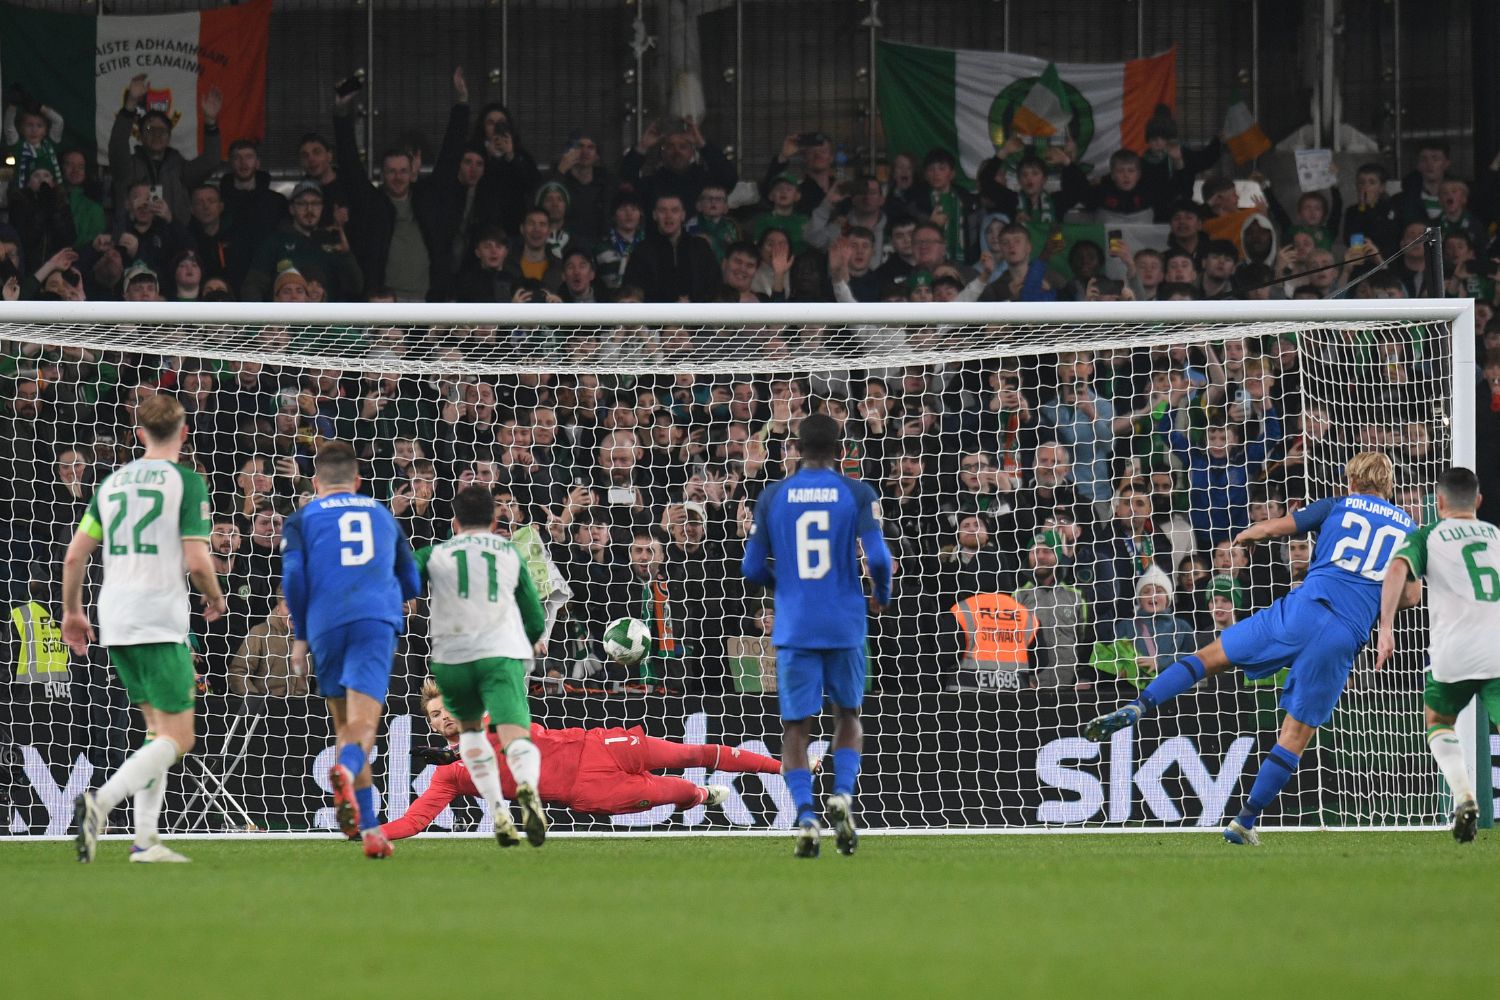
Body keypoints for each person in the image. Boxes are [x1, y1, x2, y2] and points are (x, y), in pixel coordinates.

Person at [1082, 452, 1418, 846]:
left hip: (1300, 610)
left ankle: (1141, 704)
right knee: (1294, 733)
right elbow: (1410, 596)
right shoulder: (1409, 529)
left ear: (1352, 481)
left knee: (1208, 658)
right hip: (1343, 632)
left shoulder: (1337, 505)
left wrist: (1247, 535)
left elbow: (1276, 528)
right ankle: (1244, 821)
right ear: (1388, 485)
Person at [63, 394, 227, 864]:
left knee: (157, 732)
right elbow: (197, 559)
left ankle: (146, 840)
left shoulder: (111, 483)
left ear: (138, 434)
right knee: (181, 738)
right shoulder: (186, 481)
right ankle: (100, 804)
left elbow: (75, 555)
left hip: (115, 616)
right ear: (185, 432)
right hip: (159, 615)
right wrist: (216, 598)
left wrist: (73, 612)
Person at [741, 413, 894, 858]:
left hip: (795, 625)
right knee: (848, 716)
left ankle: (806, 815)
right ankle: (842, 795)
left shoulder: (773, 496)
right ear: (840, 449)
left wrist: (787, 582)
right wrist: (879, 594)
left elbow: (750, 569)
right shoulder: (856, 492)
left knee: (796, 728)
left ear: (795, 448)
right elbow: (880, 559)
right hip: (845, 622)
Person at [381, 678, 787, 839]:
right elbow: (414, 821)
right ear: (432, 725)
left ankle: (783, 766)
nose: (444, 715)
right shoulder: (447, 776)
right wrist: (376, 834)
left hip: (596, 745)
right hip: (590, 790)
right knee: (678, 790)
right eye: (435, 714)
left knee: (691, 752)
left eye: (448, 706)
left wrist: (455, 752)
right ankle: (698, 796)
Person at [280, 440, 421, 859]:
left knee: (346, 728)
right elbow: (411, 580)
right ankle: (344, 772)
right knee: (363, 728)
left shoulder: (301, 518)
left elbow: (293, 580)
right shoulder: (380, 512)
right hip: (372, 621)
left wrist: (301, 639)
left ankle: (371, 829)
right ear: (358, 481)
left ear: (315, 481)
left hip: (324, 624)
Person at [413, 484, 549, 849]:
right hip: (499, 653)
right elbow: (535, 616)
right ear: (493, 520)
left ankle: (497, 811)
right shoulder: (508, 553)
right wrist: (529, 639)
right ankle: (527, 791)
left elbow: (401, 582)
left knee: (470, 735)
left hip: (453, 658)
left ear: (454, 523)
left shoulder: (435, 553)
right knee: (515, 736)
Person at [1375, 467, 1499, 843]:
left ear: (1439, 501)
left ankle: (1463, 795)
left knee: (1438, 720)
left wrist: (1385, 628)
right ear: (1478, 501)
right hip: (1497, 648)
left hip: (1453, 652)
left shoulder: (1427, 535)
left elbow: (1397, 568)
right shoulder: (1495, 536)